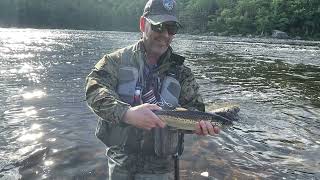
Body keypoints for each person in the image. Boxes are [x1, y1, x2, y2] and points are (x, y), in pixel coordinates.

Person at [85, 0, 220, 179]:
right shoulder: (114, 61)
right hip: (121, 162)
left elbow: (195, 109)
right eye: (158, 26)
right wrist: (127, 113)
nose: (164, 34)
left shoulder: (182, 74)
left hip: (162, 168)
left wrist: (199, 127)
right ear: (143, 24)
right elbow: (94, 90)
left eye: (171, 28)